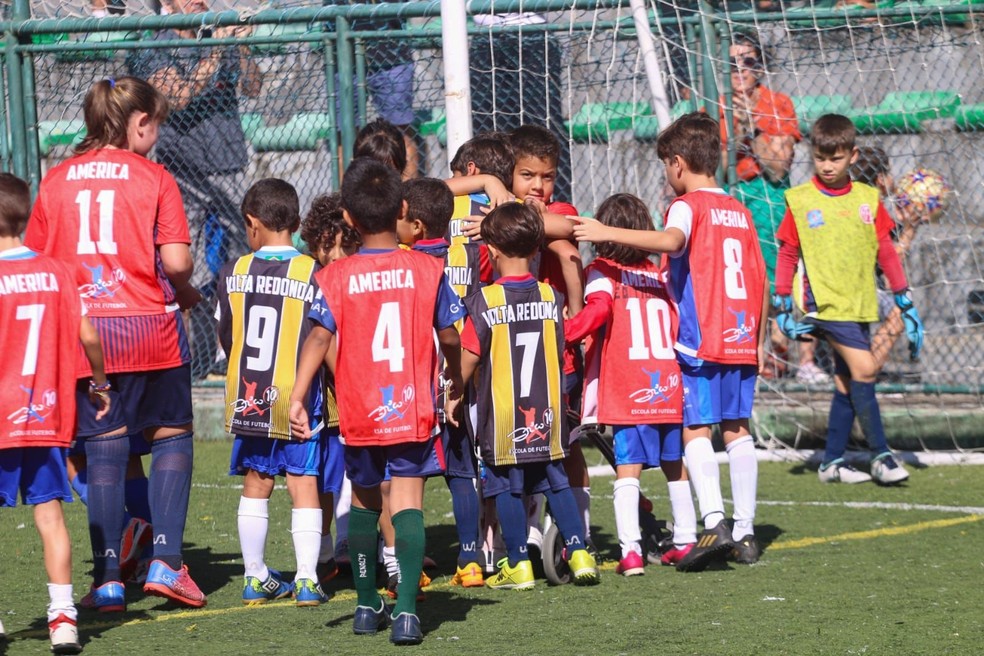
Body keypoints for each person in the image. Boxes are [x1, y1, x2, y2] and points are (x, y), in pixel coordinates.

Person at [25, 76, 205, 610]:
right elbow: (177, 263)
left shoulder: (56, 180)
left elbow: (39, 261)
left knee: (104, 446)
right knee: (171, 435)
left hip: (85, 334)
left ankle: (107, 579)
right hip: (149, 329)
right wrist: (186, 288)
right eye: (157, 125)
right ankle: (167, 562)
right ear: (139, 122)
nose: (157, 135)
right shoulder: (155, 177)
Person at [573, 112, 768, 571]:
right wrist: (758, 338)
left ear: (677, 163)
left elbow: (672, 241)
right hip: (741, 336)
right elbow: (760, 277)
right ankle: (745, 531)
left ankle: (714, 522)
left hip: (702, 338)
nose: (666, 173)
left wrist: (605, 232)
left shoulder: (687, 205)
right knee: (737, 429)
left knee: (695, 429)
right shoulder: (741, 212)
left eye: (665, 165)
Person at [288, 157, 464, 646]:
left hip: (361, 409)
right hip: (411, 406)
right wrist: (453, 371)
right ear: (403, 208)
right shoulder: (428, 269)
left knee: (365, 501)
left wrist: (298, 396)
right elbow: (450, 334)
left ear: (348, 217)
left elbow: (318, 337)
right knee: (407, 501)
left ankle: (367, 605)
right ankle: (405, 611)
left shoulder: (334, 276)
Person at [446, 202, 599, 590]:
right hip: (546, 412)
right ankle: (579, 552)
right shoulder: (550, 297)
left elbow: (468, 358)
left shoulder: (485, 301)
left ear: (492, 250)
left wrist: (454, 391)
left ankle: (518, 563)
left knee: (504, 485)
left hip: (504, 416)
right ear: (536, 250)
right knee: (556, 480)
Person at [773, 114, 922, 485]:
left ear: (852, 156)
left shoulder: (868, 199)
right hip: (823, 306)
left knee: (847, 382)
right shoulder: (801, 200)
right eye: (820, 158)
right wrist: (781, 301)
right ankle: (881, 456)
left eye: (835, 158)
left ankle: (832, 462)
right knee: (866, 369)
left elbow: (886, 252)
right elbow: (787, 253)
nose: (827, 166)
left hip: (859, 304)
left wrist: (903, 296)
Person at [0, 173, 111, 655]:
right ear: (26, 215)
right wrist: (100, 382)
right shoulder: (58, 271)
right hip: (44, 416)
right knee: (50, 517)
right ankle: (63, 621)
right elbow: (88, 335)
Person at [215, 178, 336, 606]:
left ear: (252, 223)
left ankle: (254, 575)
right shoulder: (313, 271)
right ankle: (306, 579)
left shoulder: (233, 272)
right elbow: (324, 336)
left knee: (257, 478)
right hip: (296, 394)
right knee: (303, 481)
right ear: (297, 223)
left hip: (250, 393)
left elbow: (227, 334)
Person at [127, 0, 262, 379]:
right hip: (181, 169)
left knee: (243, 259)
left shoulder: (215, 35)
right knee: (187, 265)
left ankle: (240, 352)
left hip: (228, 160)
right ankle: (197, 356)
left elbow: (253, 87)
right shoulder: (156, 44)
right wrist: (217, 49)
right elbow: (177, 96)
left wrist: (240, 45)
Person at [564, 193, 699, 574]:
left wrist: (563, 333)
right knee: (674, 463)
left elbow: (598, 311)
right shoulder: (658, 273)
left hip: (629, 384)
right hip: (667, 381)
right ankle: (686, 540)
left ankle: (631, 552)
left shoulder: (602, 270)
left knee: (628, 468)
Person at [723, 32, 825, 385]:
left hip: (769, 194)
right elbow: (715, 167)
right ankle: (747, 352)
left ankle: (782, 354)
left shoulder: (777, 103)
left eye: (748, 61)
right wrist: (733, 131)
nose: (740, 70)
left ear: (760, 67)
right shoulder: (714, 105)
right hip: (728, 195)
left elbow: (778, 167)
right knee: (738, 280)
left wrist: (751, 126)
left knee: (777, 277)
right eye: (731, 63)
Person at [507, 124, 591, 554]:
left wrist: (575, 308)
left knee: (565, 446)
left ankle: (580, 533)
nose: (538, 185)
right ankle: (527, 532)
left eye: (547, 176)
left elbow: (569, 245)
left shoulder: (559, 209)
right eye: (527, 175)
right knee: (521, 442)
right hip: (512, 353)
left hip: (558, 355)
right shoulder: (498, 212)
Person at [398, 177, 484, 587]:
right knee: (461, 471)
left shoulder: (401, 261)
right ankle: (470, 560)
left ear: (414, 224)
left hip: (414, 382)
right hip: (458, 378)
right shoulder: (470, 253)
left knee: (407, 478)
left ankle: (408, 568)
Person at [299, 192, 359, 580]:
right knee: (323, 472)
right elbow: (322, 339)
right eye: (326, 246)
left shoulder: (361, 278)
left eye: (344, 246)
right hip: (327, 396)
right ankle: (323, 550)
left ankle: (352, 542)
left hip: (354, 391)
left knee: (356, 470)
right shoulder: (312, 279)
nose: (335, 255)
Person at [469, 11, 571, 199]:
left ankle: (559, 204)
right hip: (484, 35)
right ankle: (493, 200)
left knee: (544, 133)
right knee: (487, 135)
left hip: (532, 32)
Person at [850, 145, 924, 373]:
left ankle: (862, 369)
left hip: (850, 283)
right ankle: (867, 370)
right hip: (859, 287)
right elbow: (891, 256)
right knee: (900, 313)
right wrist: (910, 227)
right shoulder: (872, 205)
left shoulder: (852, 198)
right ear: (881, 179)